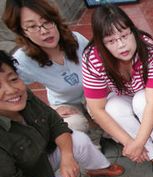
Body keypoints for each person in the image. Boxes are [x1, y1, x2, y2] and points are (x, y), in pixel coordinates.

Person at [0, 51, 123, 177]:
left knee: (78, 139)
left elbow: (55, 123)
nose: (11, 90)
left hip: (44, 157)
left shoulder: (24, 96)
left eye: (13, 79)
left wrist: (67, 156)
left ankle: (97, 168)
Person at [82, 4, 153, 177]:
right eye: (111, 41)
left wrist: (137, 143)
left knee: (142, 102)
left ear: (133, 30)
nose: (122, 45)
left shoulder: (149, 49)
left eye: (124, 35)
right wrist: (130, 144)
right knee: (112, 107)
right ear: (101, 43)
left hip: (149, 96)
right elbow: (96, 109)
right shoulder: (92, 59)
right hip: (120, 95)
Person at [3, 0, 98, 145]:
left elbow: (100, 70)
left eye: (46, 22)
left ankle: (101, 129)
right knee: (73, 125)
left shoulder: (76, 39)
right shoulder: (22, 60)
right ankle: (91, 147)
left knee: (109, 113)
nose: (43, 31)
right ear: (23, 32)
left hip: (93, 93)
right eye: (33, 26)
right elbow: (17, 93)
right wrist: (50, 111)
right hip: (65, 103)